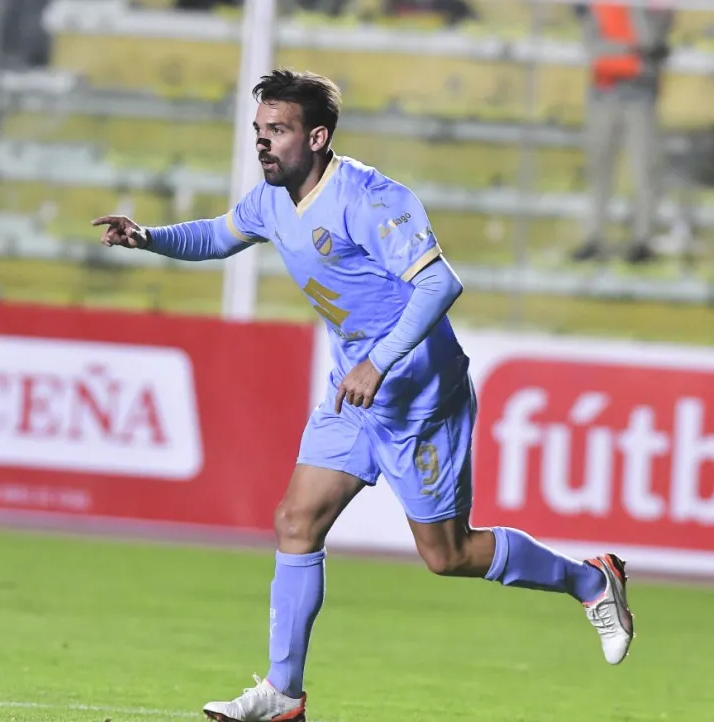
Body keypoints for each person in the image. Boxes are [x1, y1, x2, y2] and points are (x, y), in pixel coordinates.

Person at [93, 69, 634, 722]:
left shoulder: (371, 198)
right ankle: (284, 695)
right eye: (259, 132)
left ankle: (590, 579)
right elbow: (216, 236)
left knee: (448, 554)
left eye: (279, 132)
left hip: (420, 398)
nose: (263, 145)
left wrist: (378, 363)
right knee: (296, 521)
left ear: (317, 137)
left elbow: (440, 285)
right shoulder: (271, 199)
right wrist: (149, 238)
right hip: (355, 395)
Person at [571, 2, 674, 264]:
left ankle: (642, 240)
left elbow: (655, 39)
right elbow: (590, 42)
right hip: (605, 90)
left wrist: (631, 47)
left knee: (644, 169)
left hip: (640, 91)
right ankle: (594, 238)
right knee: (599, 168)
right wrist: (632, 49)